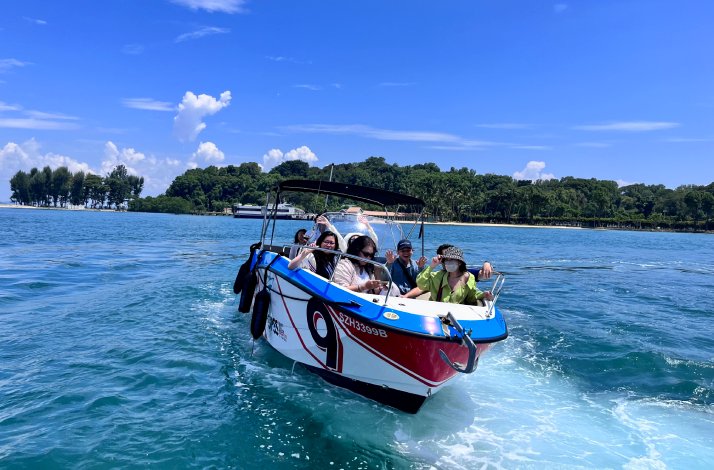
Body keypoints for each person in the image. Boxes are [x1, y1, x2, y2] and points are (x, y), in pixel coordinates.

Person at [415, 246, 493, 305]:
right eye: (446, 260)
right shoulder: (437, 276)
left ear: (459, 262)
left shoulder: (469, 277)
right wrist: (432, 266)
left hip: (456, 315)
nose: (448, 262)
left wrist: (484, 294)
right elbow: (421, 284)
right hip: (435, 312)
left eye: (451, 260)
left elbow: (471, 296)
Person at [333, 235, 398, 295]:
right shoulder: (345, 265)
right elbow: (340, 290)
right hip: (348, 302)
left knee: (392, 286)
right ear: (357, 251)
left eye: (371, 255)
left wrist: (378, 288)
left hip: (365, 302)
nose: (368, 258)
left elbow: (370, 292)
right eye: (366, 254)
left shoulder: (368, 268)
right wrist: (364, 286)